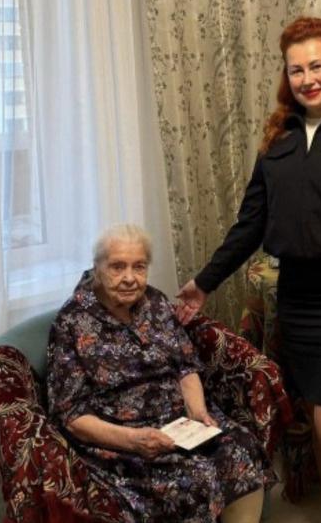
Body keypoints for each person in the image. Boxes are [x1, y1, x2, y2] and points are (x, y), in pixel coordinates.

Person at [176, 16, 321, 522]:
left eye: (317, 66)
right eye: (296, 69)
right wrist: (204, 282)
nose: (308, 79)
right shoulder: (278, 138)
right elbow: (251, 224)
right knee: (318, 421)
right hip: (297, 299)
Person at [46, 224, 273, 523]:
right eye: (117, 267)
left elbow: (185, 365)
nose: (130, 277)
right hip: (123, 437)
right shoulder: (71, 322)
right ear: (97, 267)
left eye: (139, 266)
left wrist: (198, 412)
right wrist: (133, 440)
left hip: (179, 423)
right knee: (193, 478)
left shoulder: (156, 302)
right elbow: (70, 415)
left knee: (242, 446)